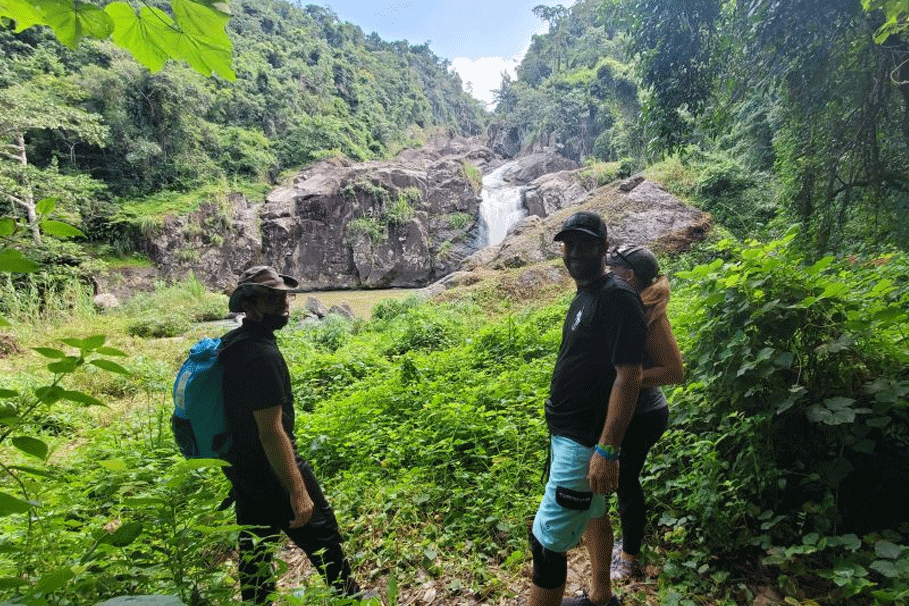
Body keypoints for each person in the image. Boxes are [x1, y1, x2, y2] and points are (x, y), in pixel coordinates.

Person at [218, 266, 361, 604]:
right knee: (324, 539)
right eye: (273, 297)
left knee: (255, 556)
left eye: (284, 295)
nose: (284, 303)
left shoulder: (234, 342)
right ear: (251, 304)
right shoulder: (261, 355)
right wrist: (297, 491)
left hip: (244, 470)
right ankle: (352, 599)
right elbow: (271, 431)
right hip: (274, 469)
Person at [529, 211, 648, 606]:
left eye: (584, 245)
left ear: (603, 247)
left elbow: (629, 376)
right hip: (570, 437)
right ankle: (601, 598)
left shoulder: (617, 298)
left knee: (546, 544)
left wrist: (607, 450)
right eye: (569, 245)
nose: (574, 253)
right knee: (595, 515)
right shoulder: (588, 293)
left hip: (584, 444)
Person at [605, 246, 684, 581]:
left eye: (614, 269)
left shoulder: (650, 312)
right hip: (627, 412)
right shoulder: (629, 303)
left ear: (630, 275)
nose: (608, 274)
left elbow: (674, 371)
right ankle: (624, 542)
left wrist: (628, 377)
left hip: (645, 415)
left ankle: (629, 555)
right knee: (618, 479)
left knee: (625, 481)